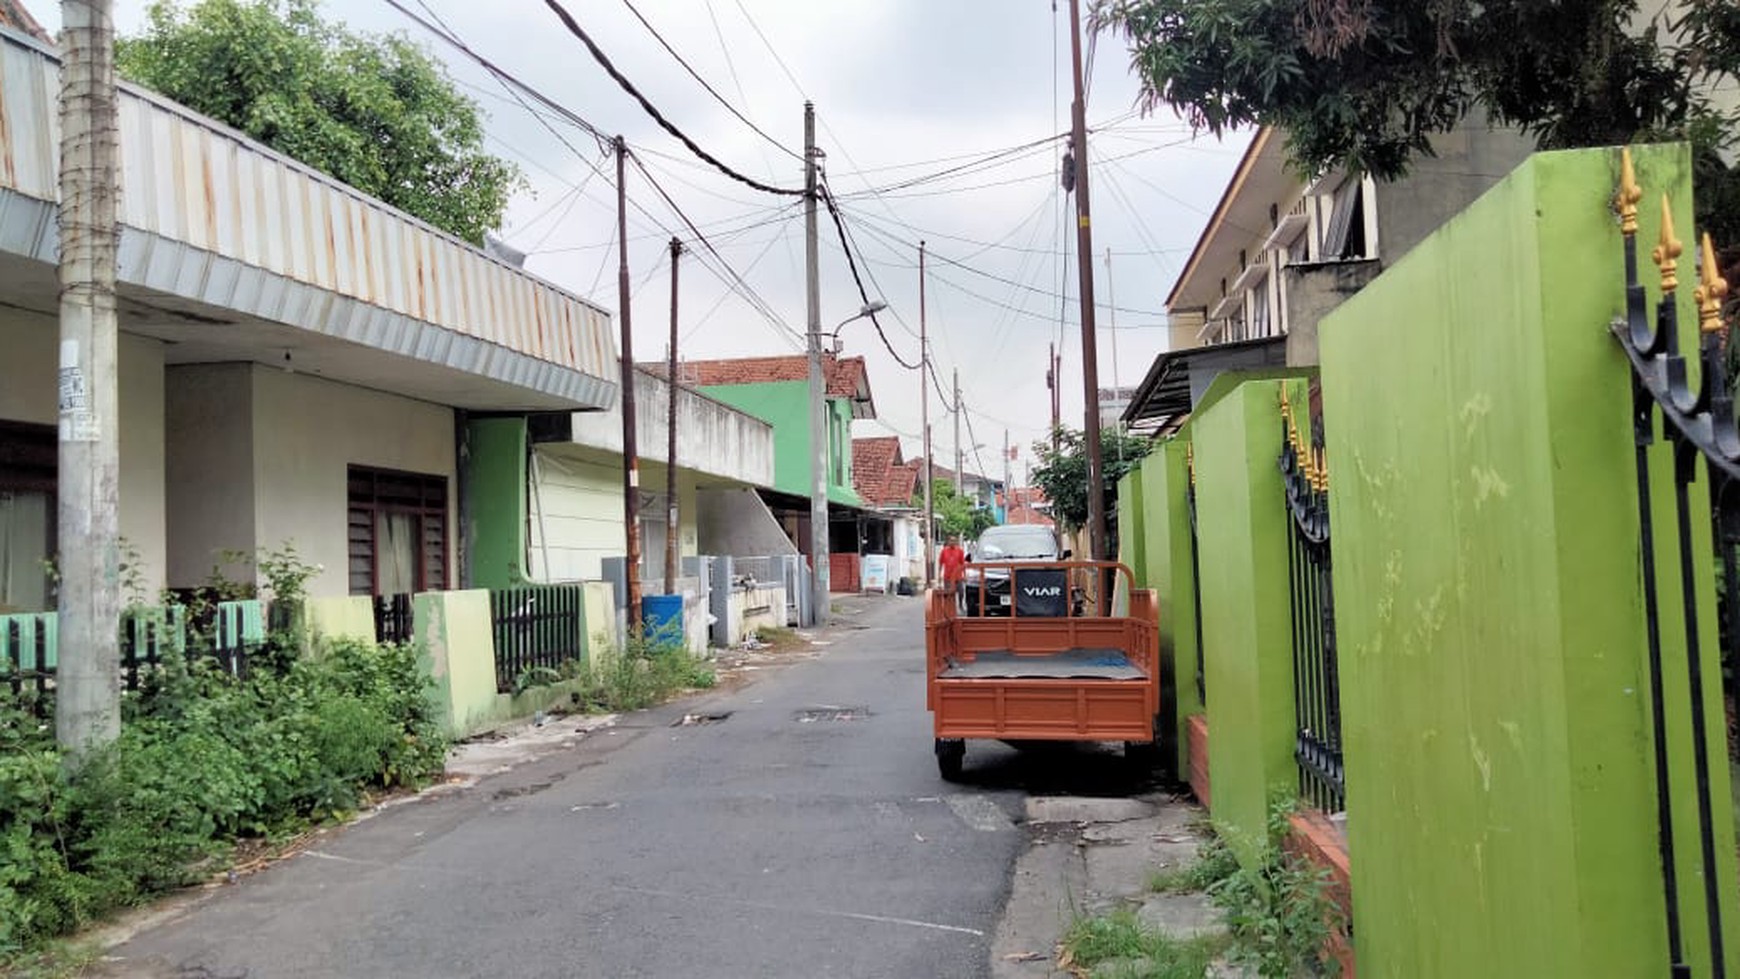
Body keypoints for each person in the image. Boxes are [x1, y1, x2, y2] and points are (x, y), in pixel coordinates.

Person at [939, 536, 967, 607]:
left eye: (954, 541)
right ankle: (949, 608)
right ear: (948, 542)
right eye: (951, 541)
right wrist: (939, 575)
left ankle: (960, 605)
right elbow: (941, 563)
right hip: (948, 576)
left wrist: (965, 575)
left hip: (958, 576)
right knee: (948, 593)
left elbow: (962, 564)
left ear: (956, 542)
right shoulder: (944, 551)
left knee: (961, 592)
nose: (952, 542)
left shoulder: (960, 551)